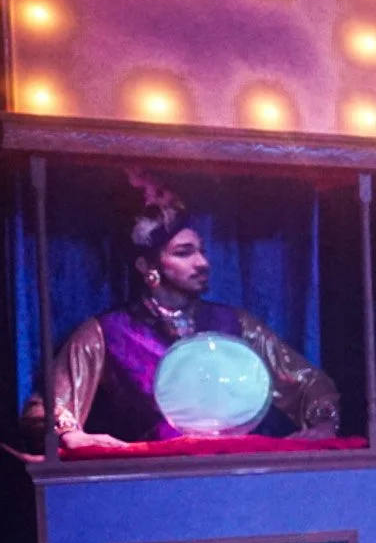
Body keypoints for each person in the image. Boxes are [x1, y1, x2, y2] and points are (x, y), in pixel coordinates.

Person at [48, 187, 338, 449]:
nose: (202, 263)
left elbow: (309, 382)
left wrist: (323, 423)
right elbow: (49, 406)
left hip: (237, 473)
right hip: (153, 481)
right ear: (147, 266)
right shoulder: (108, 333)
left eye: (202, 251)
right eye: (185, 253)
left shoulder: (235, 326)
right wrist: (72, 435)